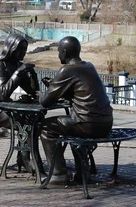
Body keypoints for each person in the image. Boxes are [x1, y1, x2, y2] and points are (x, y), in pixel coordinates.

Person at [39, 36, 113, 185]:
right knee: (71, 128)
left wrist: (42, 92)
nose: (58, 54)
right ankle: (82, 173)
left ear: (64, 52)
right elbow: (80, 90)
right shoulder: (89, 66)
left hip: (87, 124)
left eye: (59, 51)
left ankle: (58, 174)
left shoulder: (67, 69)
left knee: (45, 127)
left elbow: (45, 102)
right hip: (105, 123)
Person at [0, 33, 39, 172]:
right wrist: (18, 73)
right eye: (21, 49)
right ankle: (26, 159)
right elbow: (4, 93)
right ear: (12, 48)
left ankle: (24, 157)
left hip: (6, 106)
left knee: (34, 119)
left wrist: (32, 75)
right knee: (24, 122)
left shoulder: (17, 65)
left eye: (25, 49)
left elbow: (32, 91)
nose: (23, 53)